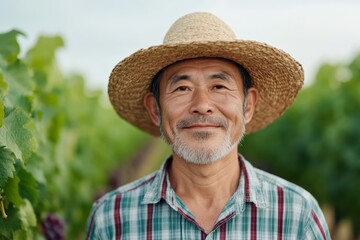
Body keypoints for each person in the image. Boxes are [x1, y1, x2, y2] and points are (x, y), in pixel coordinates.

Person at [86, 12, 331, 239]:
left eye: (219, 86)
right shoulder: (111, 220)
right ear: (155, 109)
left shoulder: (298, 217)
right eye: (182, 88)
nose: (202, 105)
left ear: (248, 106)